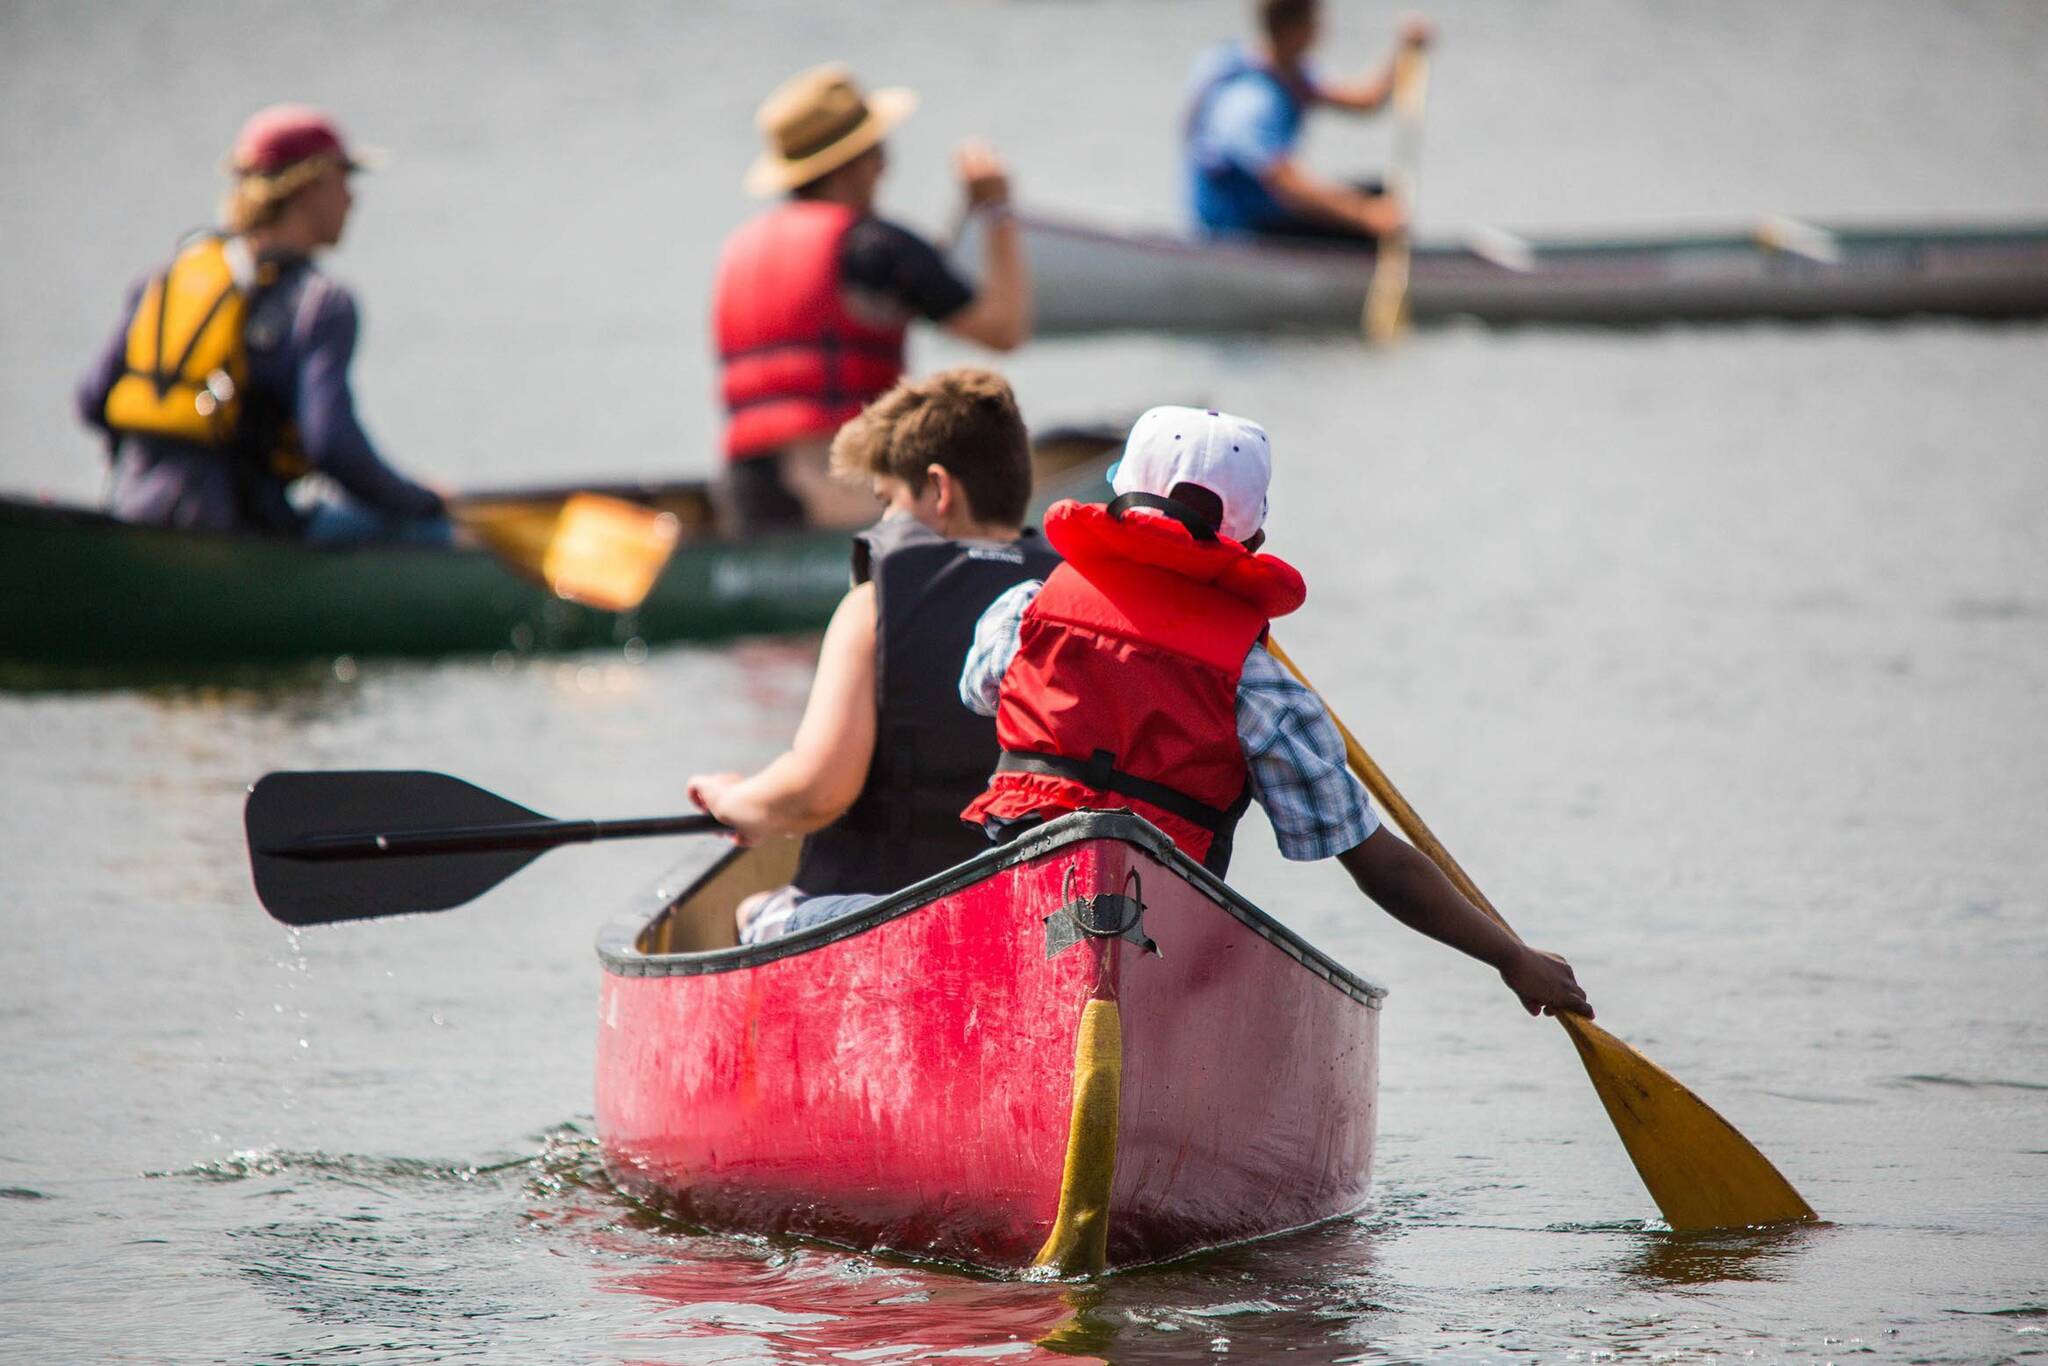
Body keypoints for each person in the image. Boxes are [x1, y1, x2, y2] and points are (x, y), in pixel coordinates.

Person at [958, 407, 1593, 1020]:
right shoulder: (1261, 690)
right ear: (1253, 539)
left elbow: (979, 694)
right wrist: (1511, 957)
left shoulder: (1024, 614)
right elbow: (1377, 866)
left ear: (1115, 501)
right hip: (1159, 946)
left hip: (1026, 917)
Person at [685, 368, 1060, 944]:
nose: (882, 522)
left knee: (752, 910)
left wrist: (734, 800)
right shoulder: (1070, 603)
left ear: (939, 489)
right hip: (1020, 918)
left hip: (888, 916)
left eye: (887, 501)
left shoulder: (872, 609)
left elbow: (817, 792)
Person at [76, 105, 449, 542]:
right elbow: (332, 447)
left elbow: (91, 402)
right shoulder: (321, 304)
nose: (352, 198)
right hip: (243, 535)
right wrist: (424, 502)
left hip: (135, 515)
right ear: (308, 188)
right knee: (439, 533)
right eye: (343, 180)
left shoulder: (166, 280)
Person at [712, 63, 1032, 533]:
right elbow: (1004, 328)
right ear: (854, 163)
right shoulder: (876, 247)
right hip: (836, 490)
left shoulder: (741, 248)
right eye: (878, 150)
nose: (885, 166)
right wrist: (997, 210)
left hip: (745, 491)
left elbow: (926, 281)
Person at [1184, 0, 1433, 244]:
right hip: (1239, 228)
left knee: (1378, 192)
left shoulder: (1291, 72)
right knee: (1367, 209)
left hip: (1270, 209)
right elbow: (1286, 184)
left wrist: (1403, 52)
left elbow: (1365, 101)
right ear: (1294, 28)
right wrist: (1365, 215)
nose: (1321, 29)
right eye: (1315, 21)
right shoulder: (1253, 101)